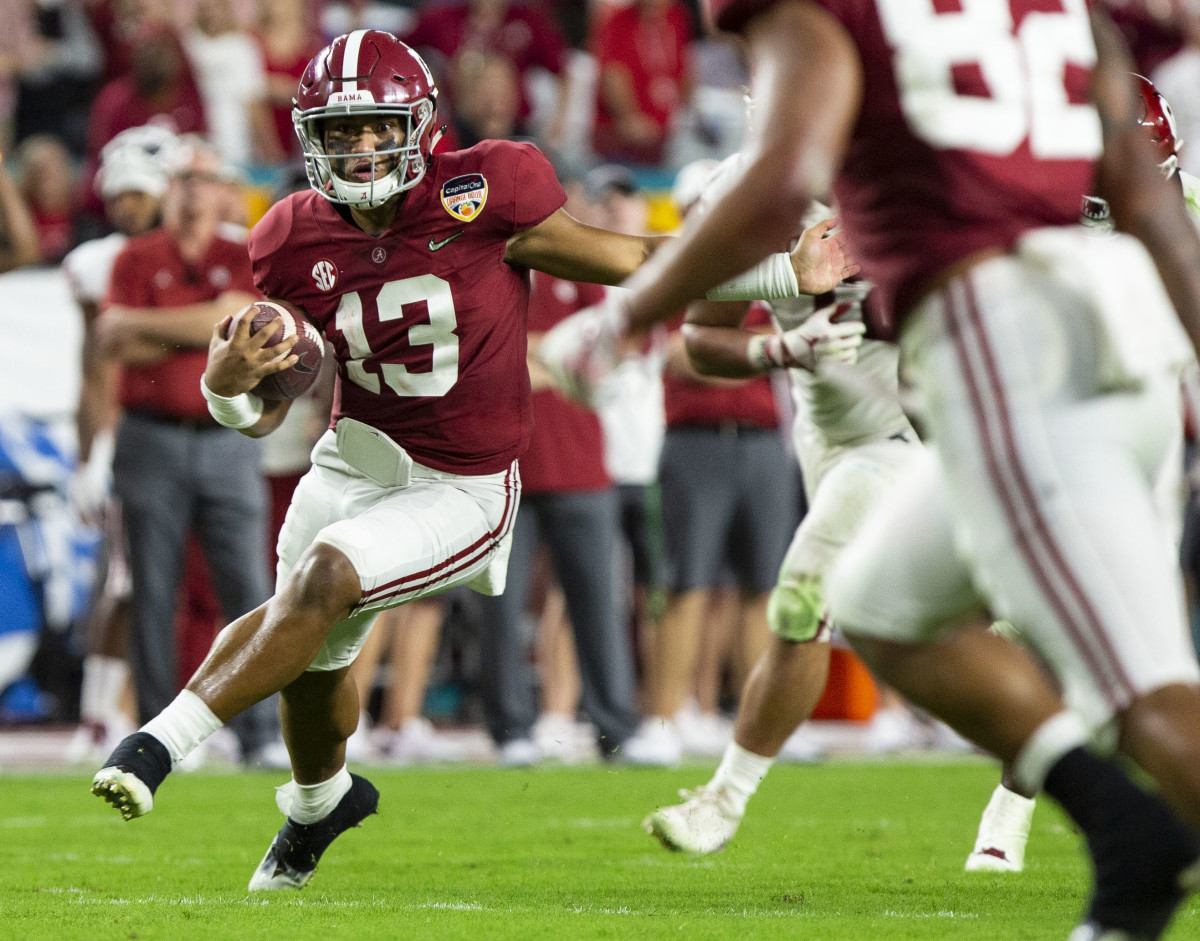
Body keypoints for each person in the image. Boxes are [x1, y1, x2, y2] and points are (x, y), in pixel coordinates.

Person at [89, 29, 853, 892]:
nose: (361, 147)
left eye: (377, 127)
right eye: (340, 132)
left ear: (418, 125)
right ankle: (315, 808)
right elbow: (258, 416)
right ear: (310, 138)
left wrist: (782, 278)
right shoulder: (288, 236)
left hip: (462, 481)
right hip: (351, 460)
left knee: (320, 583)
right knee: (311, 659)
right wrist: (225, 385)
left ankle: (158, 745)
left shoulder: (484, 189)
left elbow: (632, 260)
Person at [546, 1, 1200, 936]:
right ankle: (1126, 830)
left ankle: (1121, 833)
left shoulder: (844, 20)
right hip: (1067, 355)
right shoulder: (1060, 16)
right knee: (881, 606)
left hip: (1013, 359)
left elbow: (779, 182)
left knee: (1140, 692)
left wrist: (620, 320)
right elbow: (1147, 203)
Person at [94, 136, 280, 765]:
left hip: (228, 433)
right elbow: (117, 341)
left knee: (248, 589)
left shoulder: (245, 251)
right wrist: (210, 322)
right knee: (152, 589)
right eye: (185, 178)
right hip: (150, 435)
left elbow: (250, 326)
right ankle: (161, 737)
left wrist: (158, 327)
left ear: (225, 186)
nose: (196, 190)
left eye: (207, 178)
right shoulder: (136, 256)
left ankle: (258, 735)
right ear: (168, 186)